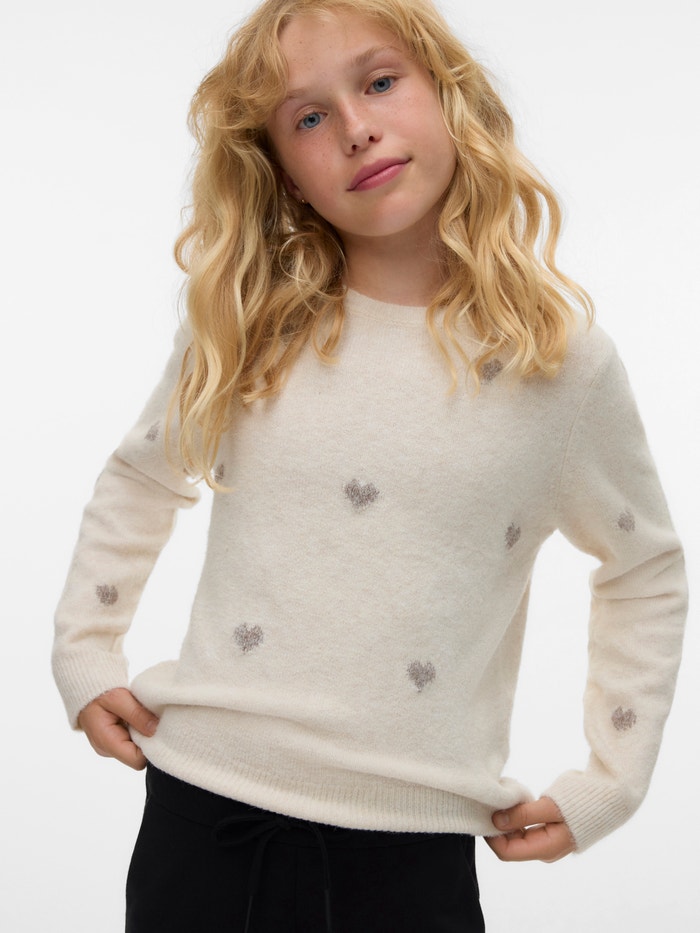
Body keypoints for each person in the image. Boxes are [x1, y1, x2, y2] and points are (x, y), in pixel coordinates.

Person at [52, 0, 688, 930]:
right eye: (309, 117)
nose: (356, 128)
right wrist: (84, 647)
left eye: (381, 81)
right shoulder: (251, 323)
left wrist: (613, 780)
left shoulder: (559, 362)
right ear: (285, 174)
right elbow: (145, 475)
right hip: (204, 818)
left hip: (412, 846)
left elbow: (644, 567)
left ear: (448, 94)